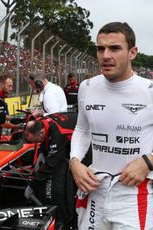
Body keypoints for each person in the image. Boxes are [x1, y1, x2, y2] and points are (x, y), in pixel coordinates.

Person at [69, 22, 153, 230]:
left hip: (134, 193)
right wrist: (74, 162)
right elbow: (82, 130)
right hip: (94, 188)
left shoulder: (149, 90)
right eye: (100, 48)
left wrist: (148, 161)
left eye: (115, 48)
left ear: (132, 52)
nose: (106, 55)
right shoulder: (87, 87)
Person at [24, 112, 78, 229]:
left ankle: (73, 219)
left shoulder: (57, 134)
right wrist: (42, 152)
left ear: (41, 133)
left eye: (36, 141)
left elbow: (51, 164)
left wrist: (33, 183)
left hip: (86, 139)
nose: (36, 143)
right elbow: (44, 142)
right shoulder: (41, 122)